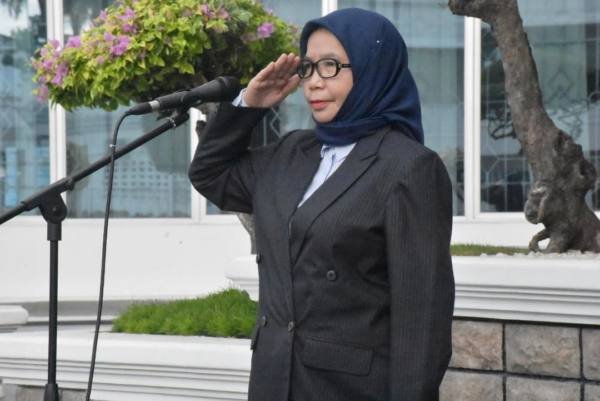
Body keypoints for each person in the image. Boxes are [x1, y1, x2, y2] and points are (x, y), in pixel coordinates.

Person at [188, 7, 454, 401]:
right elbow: (210, 173)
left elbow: (422, 318)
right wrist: (249, 104)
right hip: (275, 381)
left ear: (373, 69)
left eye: (330, 66)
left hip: (348, 389)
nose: (313, 81)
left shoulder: (408, 167)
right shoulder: (293, 151)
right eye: (308, 67)